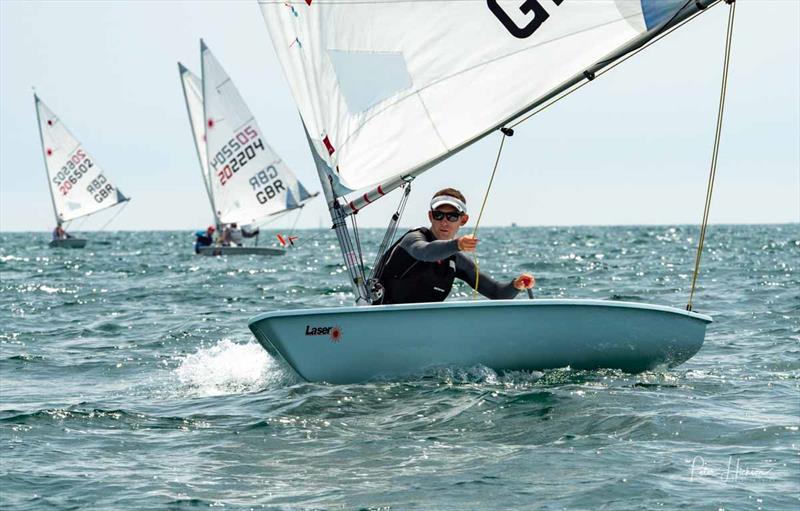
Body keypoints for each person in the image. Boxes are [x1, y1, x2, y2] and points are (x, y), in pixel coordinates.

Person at [374, 188, 535, 305]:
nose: (444, 222)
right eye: (438, 215)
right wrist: (457, 244)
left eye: (452, 216)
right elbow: (425, 252)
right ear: (430, 216)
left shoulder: (457, 260)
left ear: (463, 220)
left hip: (423, 330)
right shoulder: (413, 240)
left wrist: (516, 285)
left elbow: (496, 293)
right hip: (383, 321)